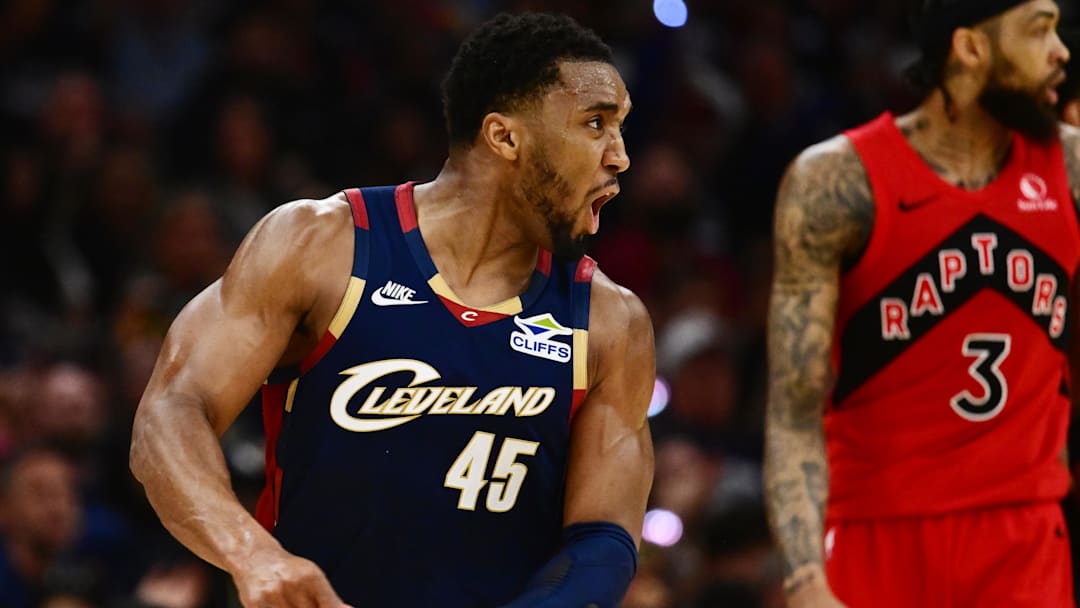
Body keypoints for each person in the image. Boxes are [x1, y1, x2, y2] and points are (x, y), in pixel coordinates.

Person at [129, 11, 655, 608]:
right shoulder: (322, 245)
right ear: (505, 137)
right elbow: (169, 415)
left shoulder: (609, 319)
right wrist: (251, 553)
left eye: (620, 127)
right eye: (595, 124)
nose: (620, 156)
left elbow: (602, 542)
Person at [763, 1, 1078, 607]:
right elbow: (793, 409)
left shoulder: (1071, 166)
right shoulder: (836, 182)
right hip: (876, 530)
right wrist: (805, 581)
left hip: (1023, 536)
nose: (1061, 50)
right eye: (1040, 29)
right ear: (971, 48)